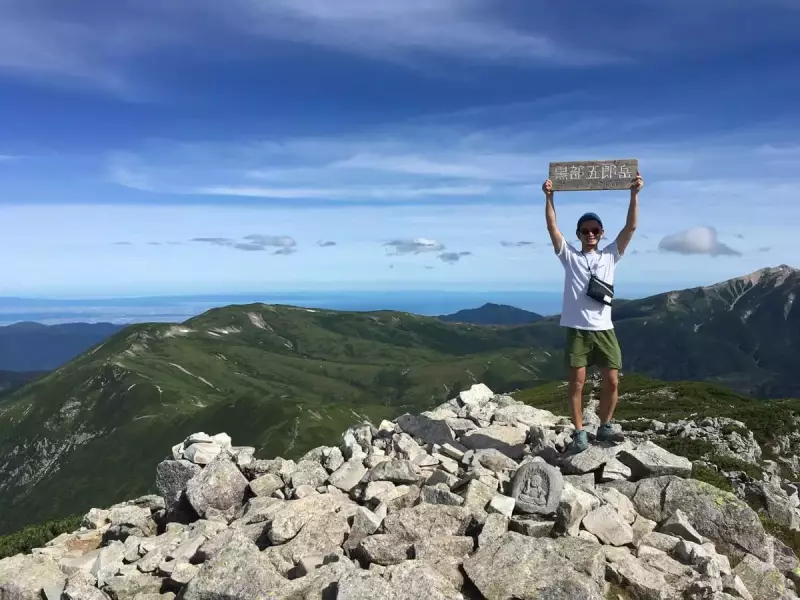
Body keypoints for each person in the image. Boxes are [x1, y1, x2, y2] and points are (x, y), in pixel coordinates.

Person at [542, 171, 643, 454]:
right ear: (578, 234)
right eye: (585, 231)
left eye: (595, 230)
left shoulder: (611, 255)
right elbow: (552, 228)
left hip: (604, 329)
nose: (590, 234)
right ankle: (579, 432)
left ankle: (605, 425)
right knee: (577, 384)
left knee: (612, 381)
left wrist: (634, 194)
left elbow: (631, 228)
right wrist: (549, 197)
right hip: (577, 329)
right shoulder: (570, 257)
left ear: (601, 234)